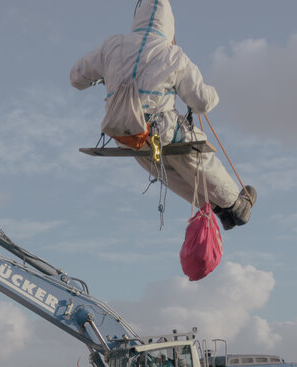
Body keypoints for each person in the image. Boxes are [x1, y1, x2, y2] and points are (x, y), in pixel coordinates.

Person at [70, 0, 256, 231]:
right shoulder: (172, 54)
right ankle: (236, 206)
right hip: (162, 131)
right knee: (195, 157)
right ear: (168, 24)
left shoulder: (113, 46)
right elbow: (202, 103)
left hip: (125, 135)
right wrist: (215, 93)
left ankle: (216, 208)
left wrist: (103, 76)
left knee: (163, 168)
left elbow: (76, 78)